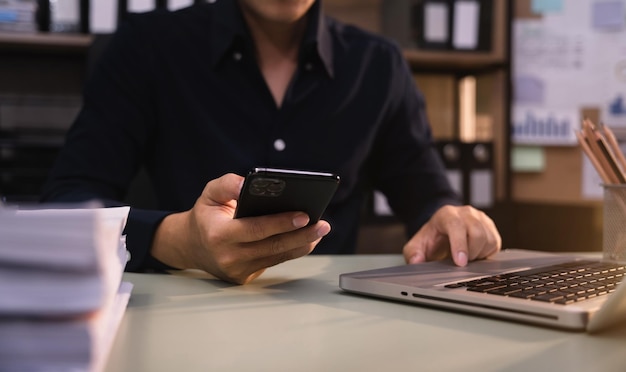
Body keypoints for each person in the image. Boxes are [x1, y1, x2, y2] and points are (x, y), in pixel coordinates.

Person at [40, 0, 501, 284]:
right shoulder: (147, 46)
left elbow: (425, 194)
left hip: (337, 320)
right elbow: (68, 206)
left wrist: (448, 218)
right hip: (186, 312)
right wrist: (177, 240)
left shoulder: (378, 65)